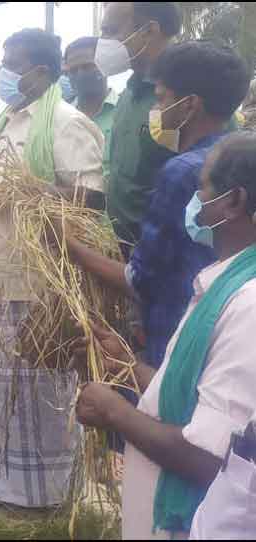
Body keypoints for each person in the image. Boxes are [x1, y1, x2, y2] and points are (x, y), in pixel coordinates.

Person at [0, 28, 105, 509]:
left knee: (36, 391)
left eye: (12, 63)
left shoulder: (65, 122)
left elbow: (92, 199)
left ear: (39, 71)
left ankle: (43, 496)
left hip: (33, 282)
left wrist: (29, 192)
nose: (5, 73)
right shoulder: (5, 123)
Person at [76, 132, 256, 539]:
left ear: (233, 202)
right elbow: (195, 402)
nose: (194, 201)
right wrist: (127, 366)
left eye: (203, 188)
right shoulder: (224, 281)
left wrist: (113, 411)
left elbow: (206, 456)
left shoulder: (248, 303)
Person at [64, 42, 250, 368]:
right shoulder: (239, 160)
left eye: (162, 98)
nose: (156, 110)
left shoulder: (182, 173)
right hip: (231, 336)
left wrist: (70, 246)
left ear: (189, 105)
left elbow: (142, 281)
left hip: (178, 341)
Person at [98, 2, 183, 246]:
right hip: (121, 250)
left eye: (111, 31)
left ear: (149, 30)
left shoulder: (190, 96)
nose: (103, 42)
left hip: (165, 259)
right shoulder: (129, 94)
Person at [64, 37, 118, 178]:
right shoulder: (61, 117)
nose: (80, 74)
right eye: (73, 70)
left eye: (87, 66)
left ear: (105, 65)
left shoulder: (124, 112)